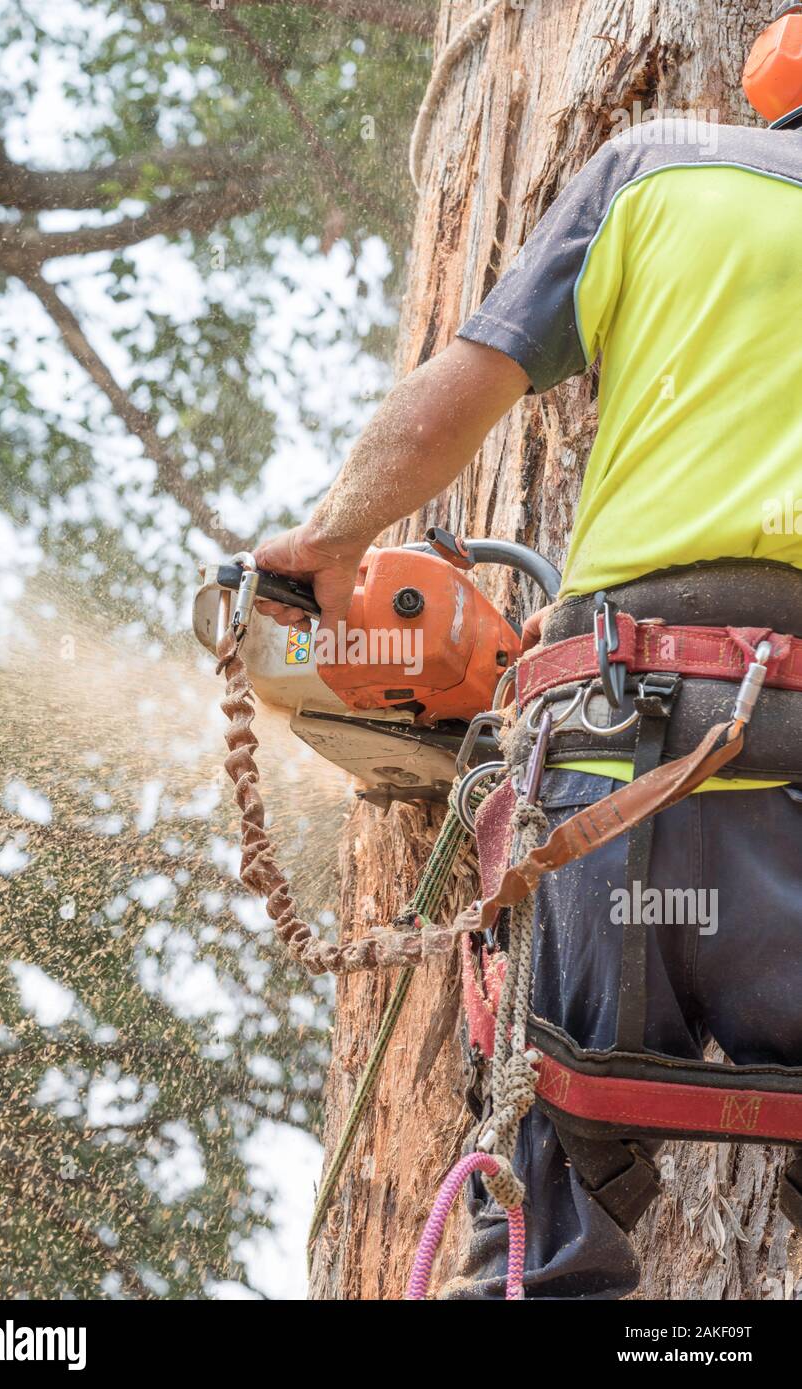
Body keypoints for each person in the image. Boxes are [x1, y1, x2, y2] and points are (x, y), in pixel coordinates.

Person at [251, 6, 802, 1297]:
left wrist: (330, 545)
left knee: (538, 1172)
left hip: (627, 779)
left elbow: (462, 387)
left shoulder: (660, 169)